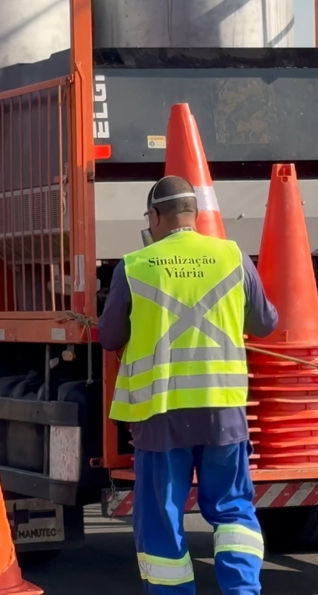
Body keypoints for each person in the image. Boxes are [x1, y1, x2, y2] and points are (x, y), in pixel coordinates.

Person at [99, 175, 279, 595]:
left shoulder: (136, 264)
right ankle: (242, 591)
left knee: (162, 521)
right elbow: (265, 323)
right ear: (194, 217)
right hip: (222, 414)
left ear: (155, 216)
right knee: (233, 512)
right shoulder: (232, 256)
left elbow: (109, 338)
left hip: (161, 415)